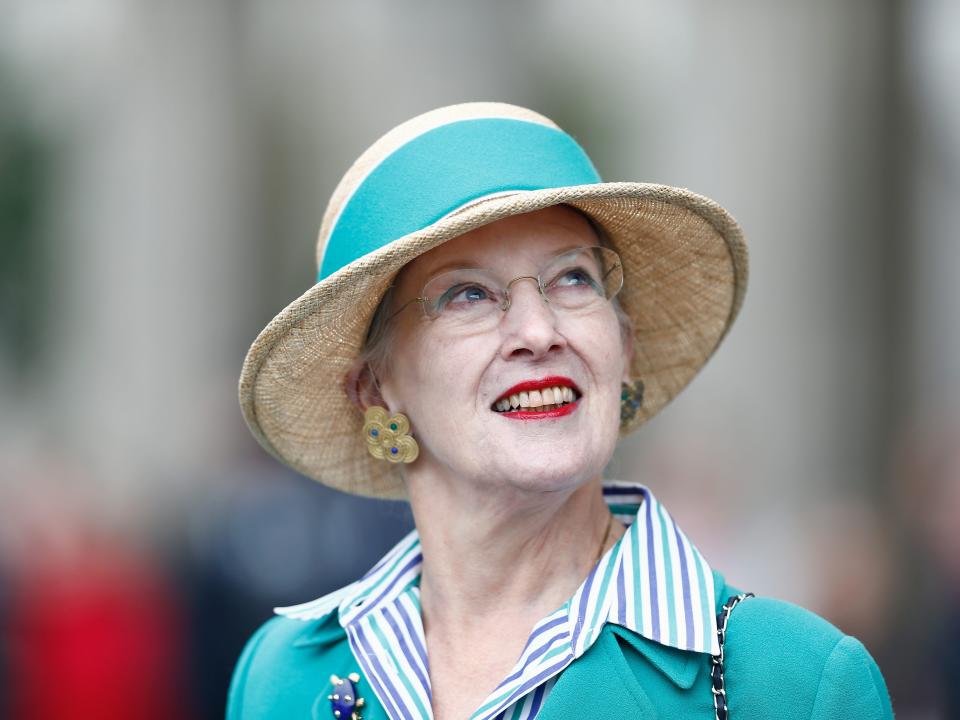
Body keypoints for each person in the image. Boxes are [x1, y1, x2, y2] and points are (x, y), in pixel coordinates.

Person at [228, 103, 894, 719]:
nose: (539, 330)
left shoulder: (794, 684)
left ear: (623, 348)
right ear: (376, 391)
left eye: (574, 278)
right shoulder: (278, 677)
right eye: (466, 294)